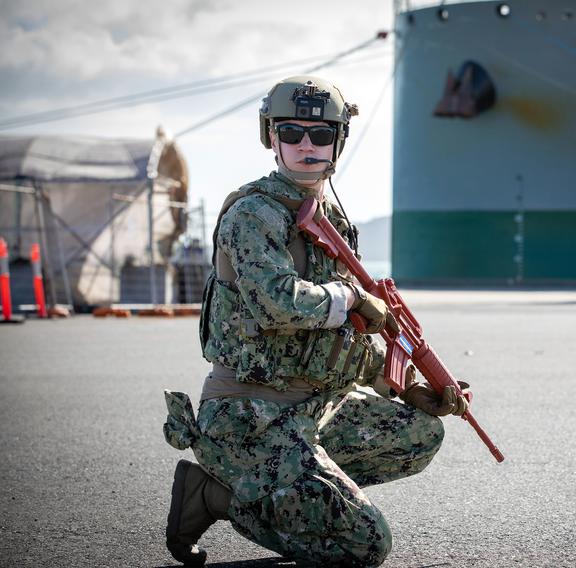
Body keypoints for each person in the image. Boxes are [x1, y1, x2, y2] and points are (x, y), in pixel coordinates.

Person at [163, 75, 470, 567]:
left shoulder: (331, 219)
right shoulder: (254, 214)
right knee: (365, 546)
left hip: (317, 407)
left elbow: (340, 336)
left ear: (338, 142)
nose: (306, 145)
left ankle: (290, 485)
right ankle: (218, 492)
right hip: (250, 412)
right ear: (272, 138)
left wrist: (402, 385)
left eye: (321, 134)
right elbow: (277, 304)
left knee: (420, 433)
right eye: (292, 133)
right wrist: (351, 296)